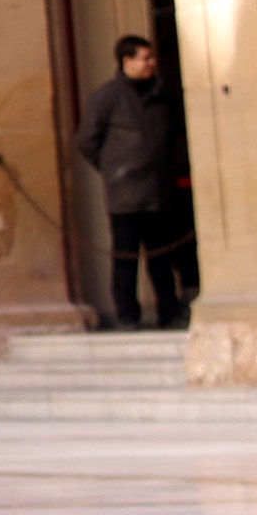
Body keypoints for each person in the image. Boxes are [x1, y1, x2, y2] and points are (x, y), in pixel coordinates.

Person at [77, 36, 195, 331]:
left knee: (162, 258)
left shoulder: (161, 94)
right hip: (125, 194)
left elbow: (174, 134)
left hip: (159, 191)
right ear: (126, 61)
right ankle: (128, 315)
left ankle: (168, 310)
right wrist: (113, 169)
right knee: (126, 258)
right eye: (145, 58)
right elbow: (86, 140)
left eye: (152, 58)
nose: (151, 63)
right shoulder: (107, 97)